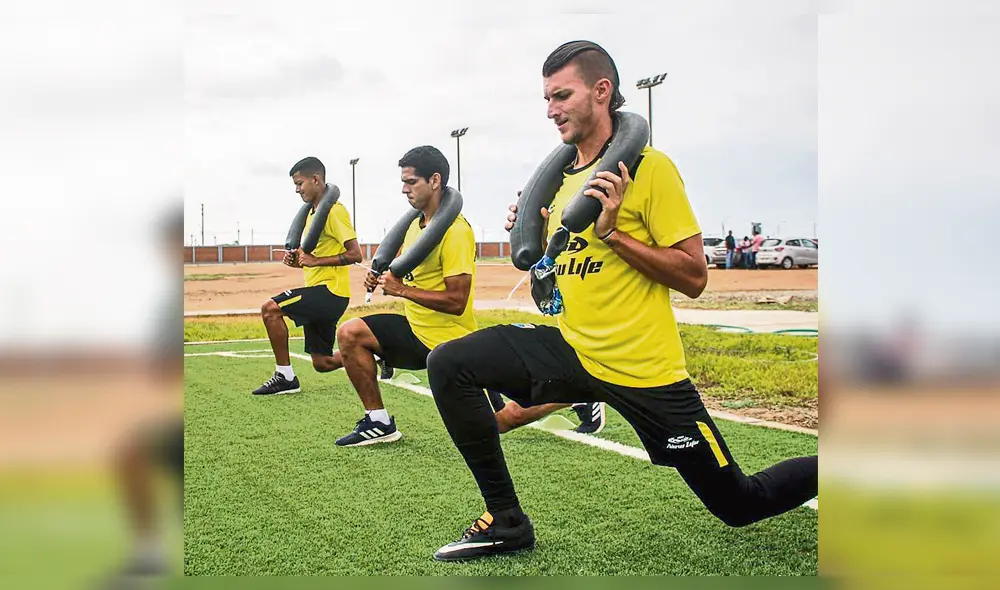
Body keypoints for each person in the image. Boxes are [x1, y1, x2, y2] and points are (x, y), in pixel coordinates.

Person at [424, 40, 818, 561]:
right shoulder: (561, 184)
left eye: (562, 95)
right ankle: (507, 520)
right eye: (546, 98)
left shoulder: (651, 169)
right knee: (450, 363)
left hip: (643, 369)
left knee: (740, 504)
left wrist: (614, 234)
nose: (551, 110)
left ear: (602, 91)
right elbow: (564, 277)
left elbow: (696, 277)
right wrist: (537, 242)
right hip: (574, 350)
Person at [252, 156, 363, 395]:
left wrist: (316, 260)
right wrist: (298, 263)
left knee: (270, 309)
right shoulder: (313, 215)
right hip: (320, 290)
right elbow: (315, 260)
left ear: (316, 179)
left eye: (300, 183)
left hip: (330, 292)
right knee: (323, 363)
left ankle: (285, 376)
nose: (297, 189)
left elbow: (356, 254)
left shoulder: (334, 212)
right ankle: (377, 353)